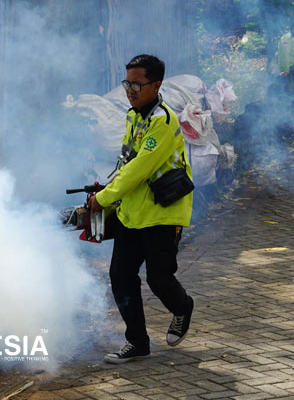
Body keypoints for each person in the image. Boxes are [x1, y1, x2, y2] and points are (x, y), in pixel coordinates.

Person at [89, 54, 194, 364]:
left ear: (156, 85)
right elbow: (125, 164)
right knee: (120, 276)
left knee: (159, 279)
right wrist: (105, 190)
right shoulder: (134, 116)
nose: (130, 90)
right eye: (127, 83)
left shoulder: (162, 121)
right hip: (132, 213)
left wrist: (104, 199)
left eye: (137, 84)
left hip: (163, 213)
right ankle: (137, 342)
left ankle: (183, 306)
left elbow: (140, 168)